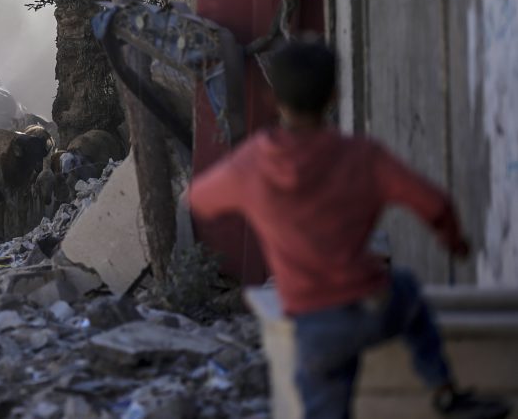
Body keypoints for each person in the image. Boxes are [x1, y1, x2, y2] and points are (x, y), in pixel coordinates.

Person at [189, 40, 511, 419]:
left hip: (315, 326)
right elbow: (435, 204)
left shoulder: (255, 164)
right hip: (375, 305)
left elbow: (199, 199)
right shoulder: (363, 155)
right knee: (408, 292)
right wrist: (454, 242)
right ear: (335, 95)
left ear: (272, 97)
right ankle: (444, 392)